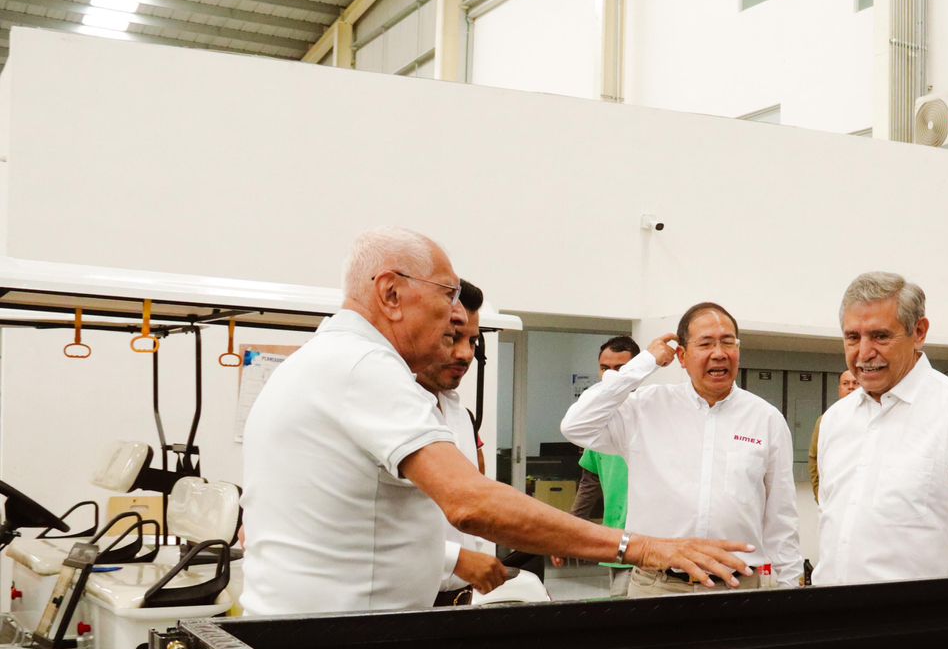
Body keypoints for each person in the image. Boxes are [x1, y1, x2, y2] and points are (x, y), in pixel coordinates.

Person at [241, 227, 753, 617]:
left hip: (323, 629)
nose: (453, 317)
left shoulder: (329, 360)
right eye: (446, 295)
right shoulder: (363, 367)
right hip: (341, 641)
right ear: (391, 294)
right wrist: (640, 546)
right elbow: (471, 503)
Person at [813, 272, 948, 602]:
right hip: (832, 615)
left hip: (919, 617)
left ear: (919, 333)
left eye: (880, 336)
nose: (864, 353)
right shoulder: (835, 421)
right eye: (853, 337)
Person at [562, 302, 803, 596]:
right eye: (706, 343)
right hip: (657, 586)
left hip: (739, 587)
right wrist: (644, 363)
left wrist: (790, 592)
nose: (719, 353)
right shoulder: (644, 408)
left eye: (728, 342)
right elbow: (575, 425)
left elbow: (781, 519)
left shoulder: (765, 419)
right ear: (682, 356)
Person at [412, 279, 511, 606]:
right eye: (452, 338)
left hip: (458, 598)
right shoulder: (385, 408)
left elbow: (476, 496)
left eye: (473, 341)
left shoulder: (460, 414)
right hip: (403, 605)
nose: (465, 354)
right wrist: (454, 559)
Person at [562, 334, 639, 596]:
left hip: (649, 541)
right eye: (605, 368)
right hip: (616, 543)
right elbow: (589, 483)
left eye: (620, 369)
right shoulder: (599, 421)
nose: (610, 376)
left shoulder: (651, 413)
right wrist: (568, 535)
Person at [807, 370, 859, 502]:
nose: (851, 387)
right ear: (839, 388)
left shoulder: (874, 418)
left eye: (856, 383)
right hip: (834, 497)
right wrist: (819, 494)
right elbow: (814, 457)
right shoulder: (826, 420)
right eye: (845, 383)